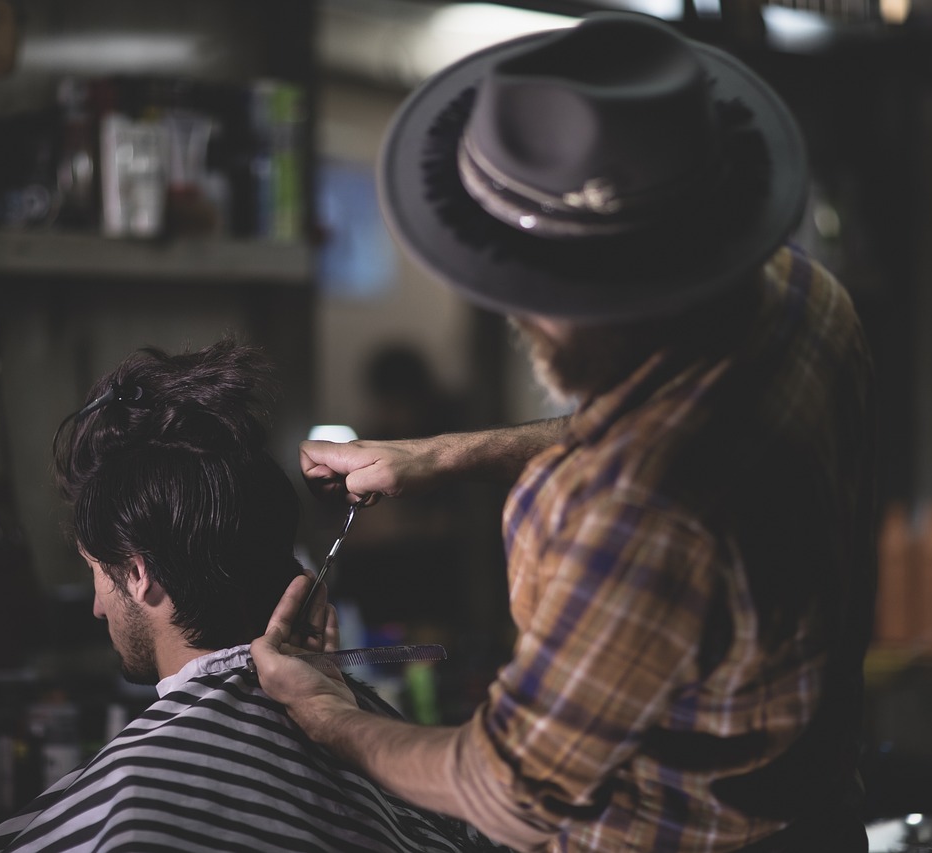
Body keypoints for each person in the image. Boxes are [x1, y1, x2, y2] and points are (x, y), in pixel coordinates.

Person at [251, 12, 876, 853]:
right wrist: (446, 455)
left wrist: (326, 713)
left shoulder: (626, 514)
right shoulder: (802, 300)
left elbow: (508, 790)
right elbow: (649, 424)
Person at [0, 341, 510, 852]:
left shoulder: (130, 808)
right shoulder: (401, 748)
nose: (95, 607)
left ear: (137, 573)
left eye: (95, 574)